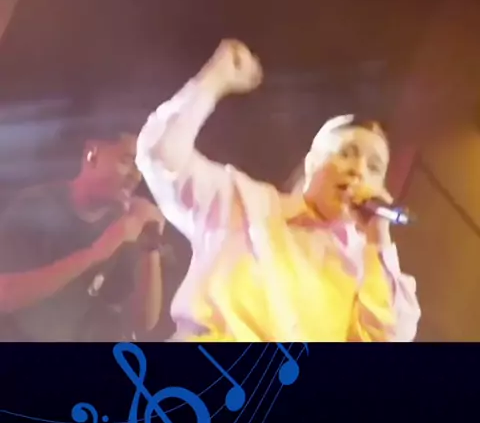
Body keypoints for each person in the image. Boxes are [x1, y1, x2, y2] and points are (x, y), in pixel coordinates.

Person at [136, 40, 421, 343]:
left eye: (374, 167)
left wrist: (378, 241)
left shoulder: (366, 270)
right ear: (312, 162)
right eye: (347, 153)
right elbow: (162, 156)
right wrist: (213, 81)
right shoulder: (245, 202)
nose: (359, 170)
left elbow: (387, 338)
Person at [0, 129, 165, 342]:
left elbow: (142, 325)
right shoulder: (35, 205)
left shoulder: (122, 225)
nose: (136, 176)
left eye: (140, 167)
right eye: (126, 161)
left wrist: (151, 246)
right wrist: (98, 251)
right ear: (92, 155)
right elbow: (5, 297)